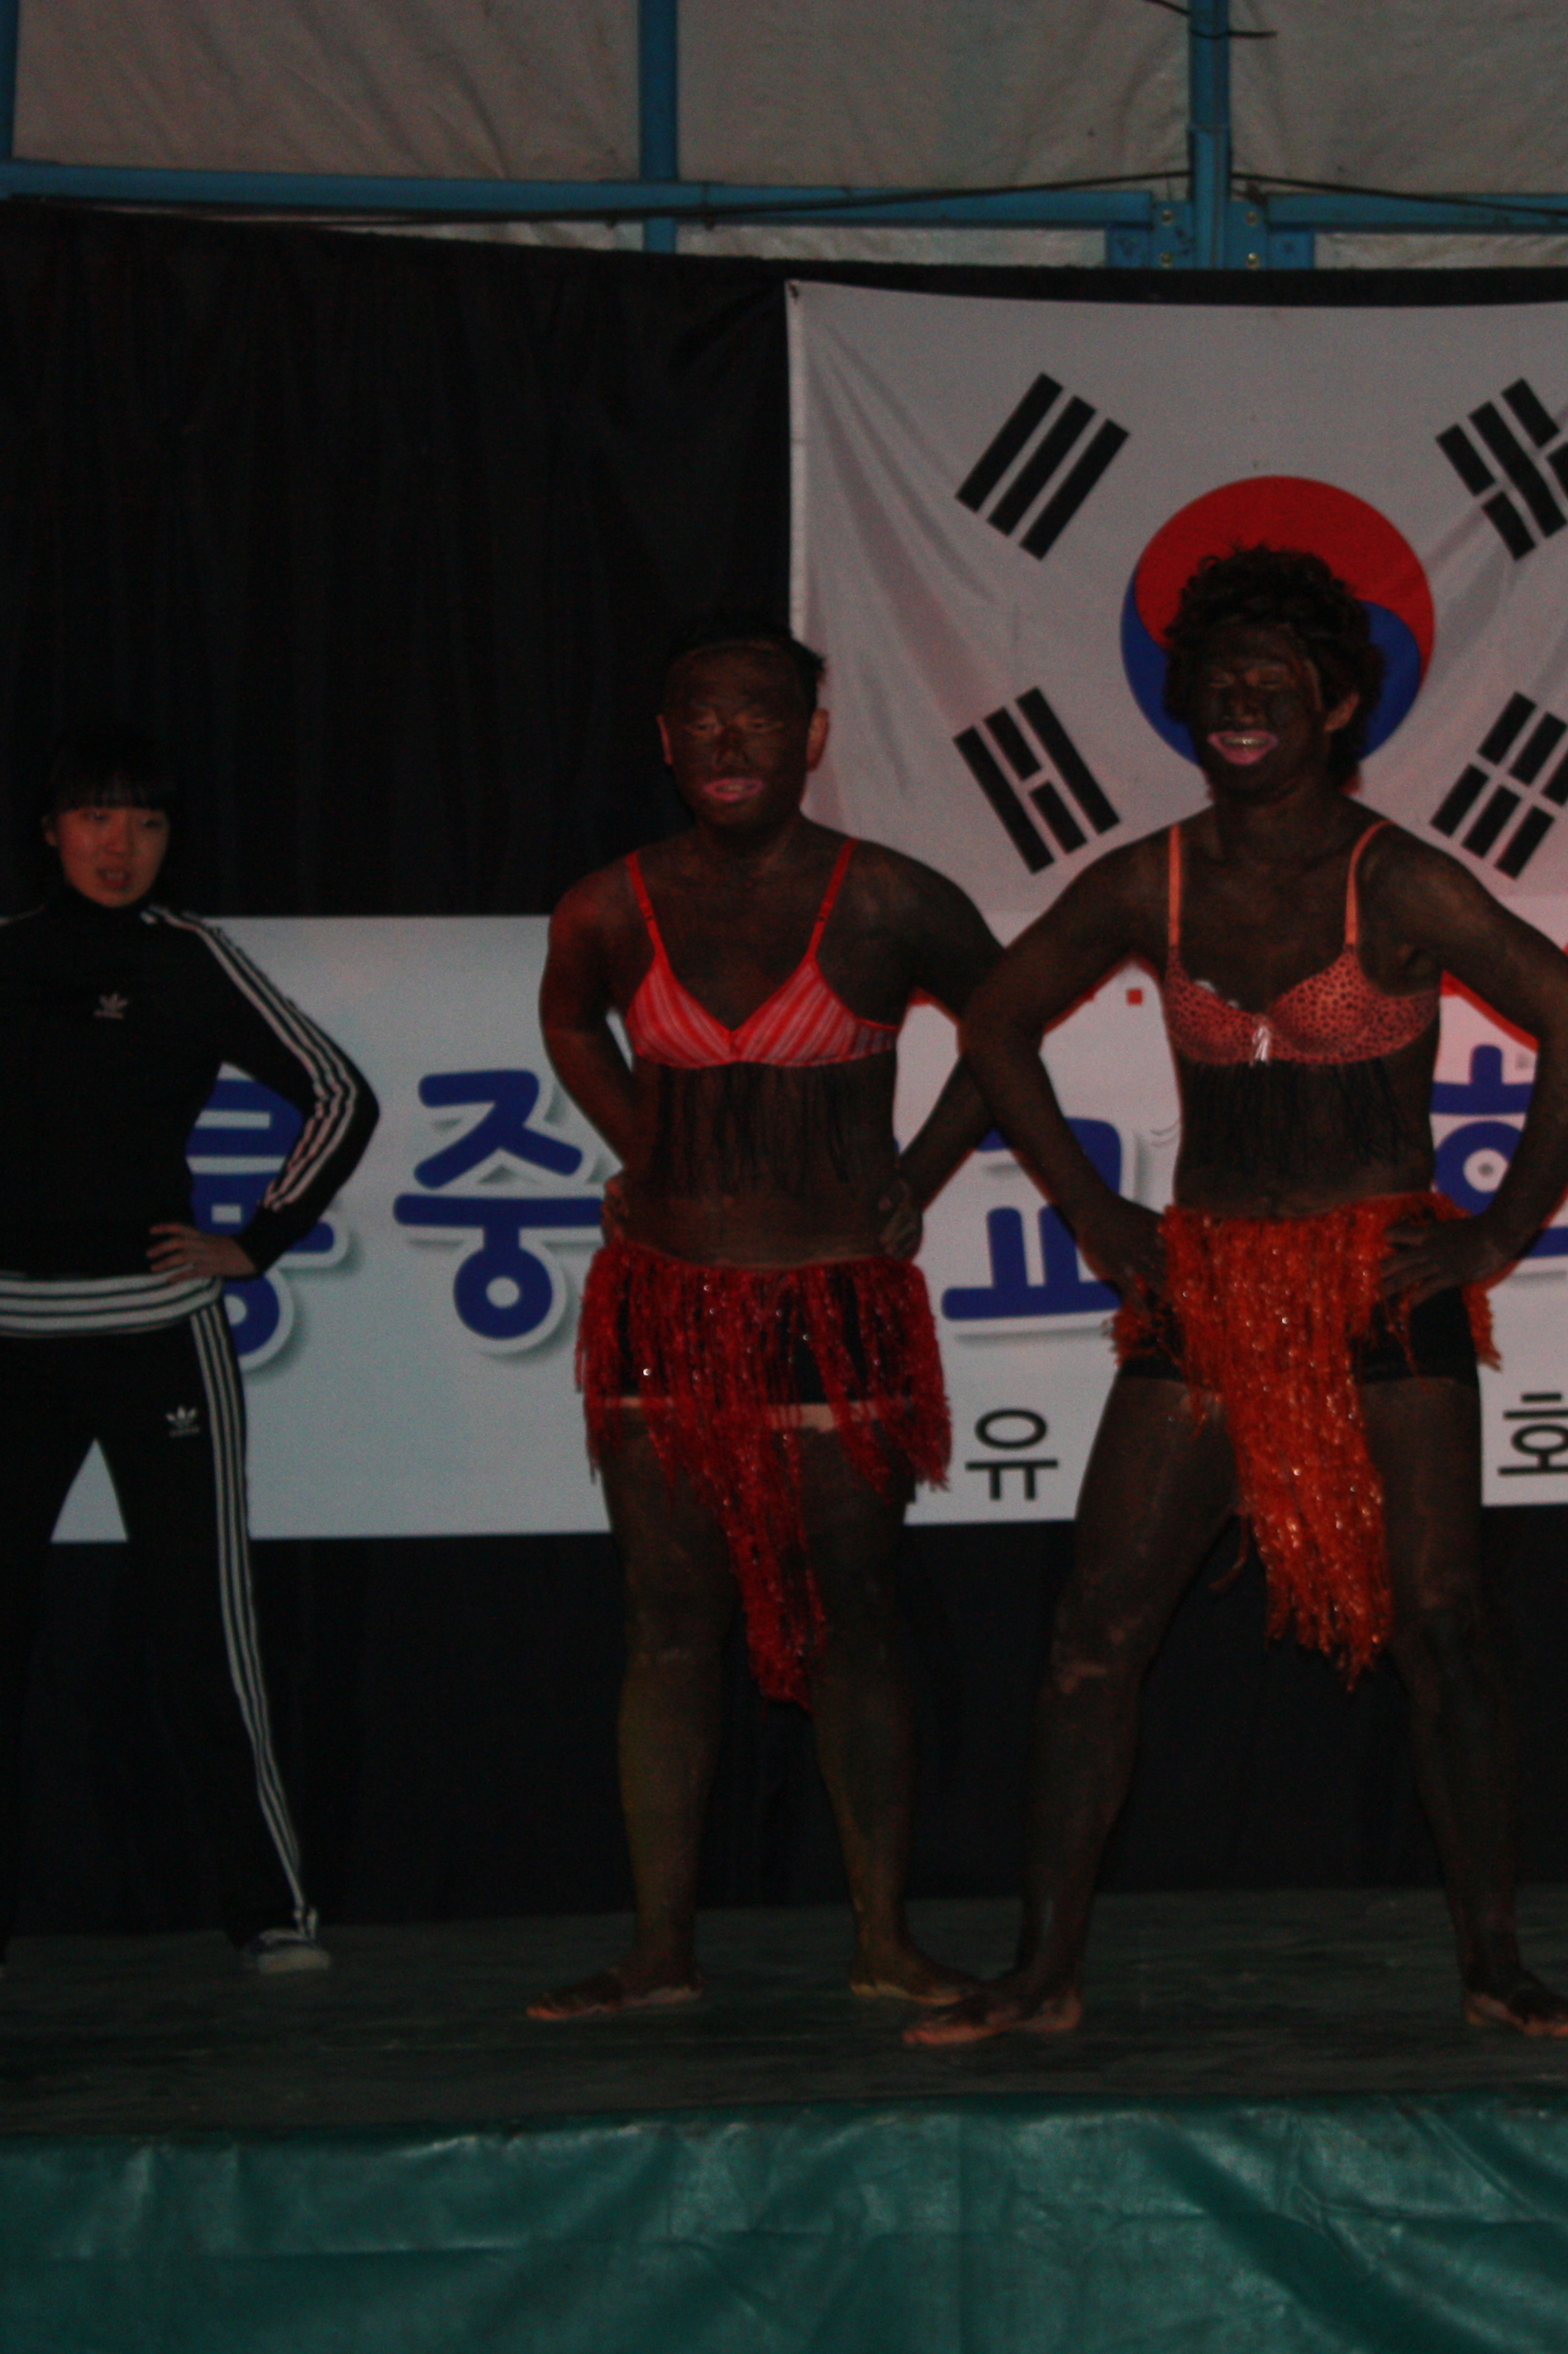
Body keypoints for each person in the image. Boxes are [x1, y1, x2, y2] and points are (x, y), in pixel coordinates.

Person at [908, 546, 1568, 2047]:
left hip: (1381, 1283)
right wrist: (1094, 1210)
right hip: (1213, 1282)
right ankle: (1044, 1971)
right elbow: (994, 1022)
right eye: (1218, 684)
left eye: (1273, 684)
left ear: (1338, 706)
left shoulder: (1398, 878)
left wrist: (1495, 1233)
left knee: (1443, 1628)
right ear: (1185, 707)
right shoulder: (1148, 879)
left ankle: (1495, 1964)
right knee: (1094, 1632)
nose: (1240, 705)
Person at [529, 617, 1004, 2019]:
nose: (729, 739)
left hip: (831, 1300)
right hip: (667, 1300)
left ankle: (883, 1940)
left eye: (761, 713)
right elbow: (570, 1020)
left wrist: (916, 1177)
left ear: (815, 736)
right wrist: (642, 1142)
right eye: (702, 716)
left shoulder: (889, 899)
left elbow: (1008, 1027)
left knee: (856, 1617)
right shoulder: (608, 906)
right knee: (668, 1625)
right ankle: (660, 1952)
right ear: (664, 742)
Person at [0, 727, 379, 1989]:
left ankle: (272, 1914)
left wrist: (256, 1242)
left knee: (204, 1631)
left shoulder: (186, 955)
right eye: (97, 819)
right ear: (51, 830)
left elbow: (339, 1092)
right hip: (4, 1345)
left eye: (146, 824)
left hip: (155, 1340)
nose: (121, 846)